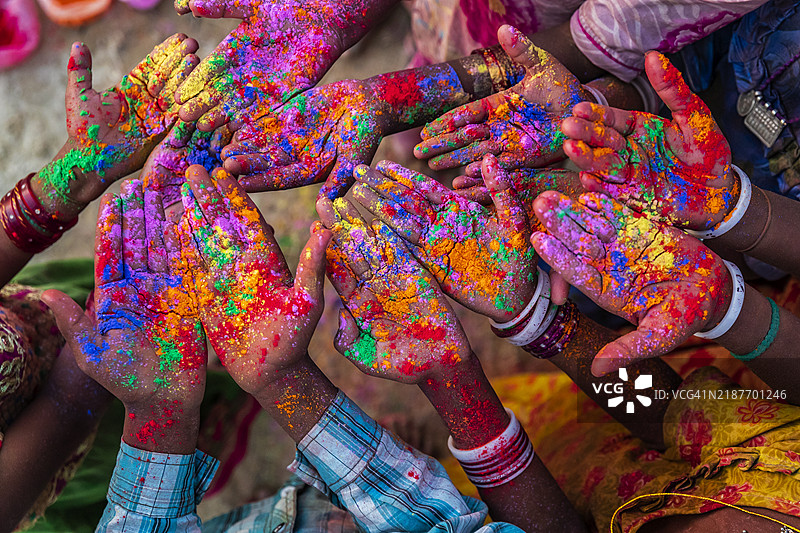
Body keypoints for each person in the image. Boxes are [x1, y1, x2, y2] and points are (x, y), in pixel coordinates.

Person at [0, 34, 198, 531]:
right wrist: (114, 322)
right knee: (176, 386)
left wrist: (70, 178)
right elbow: (65, 409)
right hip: (80, 422)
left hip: (37, 318)